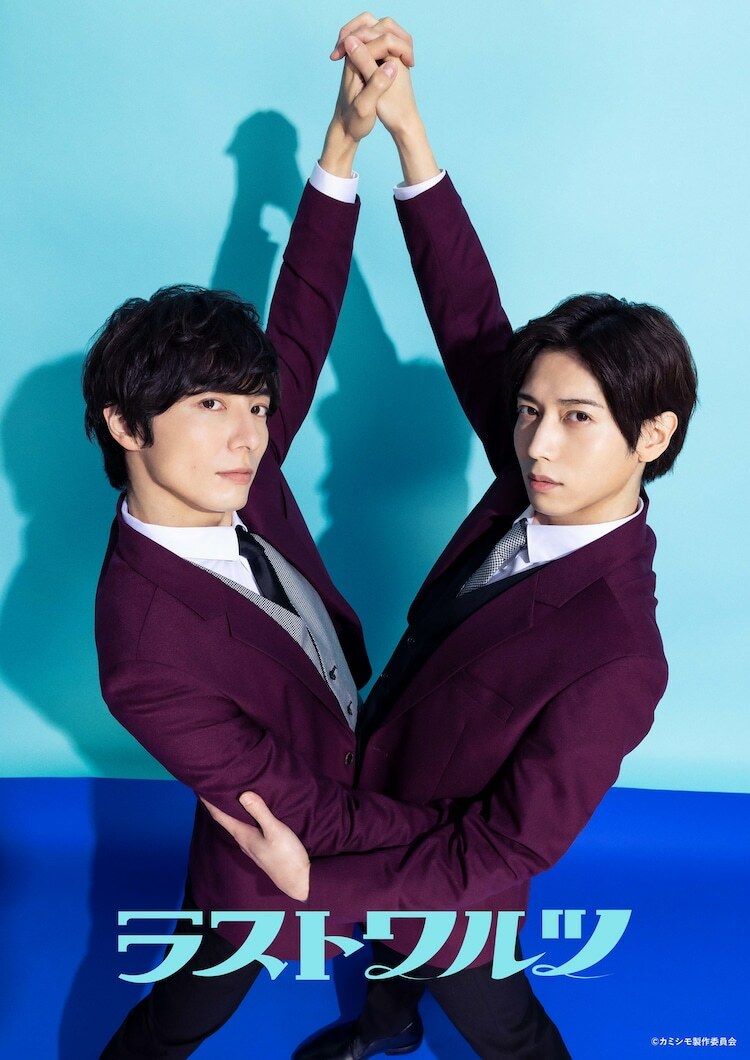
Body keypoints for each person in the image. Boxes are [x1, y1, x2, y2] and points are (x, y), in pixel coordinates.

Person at [206, 15, 699, 1060]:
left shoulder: (619, 652)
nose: (538, 444)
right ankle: (385, 1024)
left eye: (577, 419)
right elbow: (471, 318)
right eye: (529, 412)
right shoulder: (537, 479)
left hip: (445, 876)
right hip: (363, 790)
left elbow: (500, 850)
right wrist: (400, 134)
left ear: (652, 437)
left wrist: (314, 887)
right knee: (390, 974)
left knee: (506, 1030)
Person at [84, 43, 447, 1060]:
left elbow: (301, 318)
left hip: (377, 752)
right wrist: (450, 836)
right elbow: (289, 808)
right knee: (194, 1003)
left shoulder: (237, 470)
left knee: (414, 954)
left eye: (254, 408)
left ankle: (387, 1025)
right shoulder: (142, 649)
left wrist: (340, 147)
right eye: (211, 406)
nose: (247, 435)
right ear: (126, 424)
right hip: (281, 844)